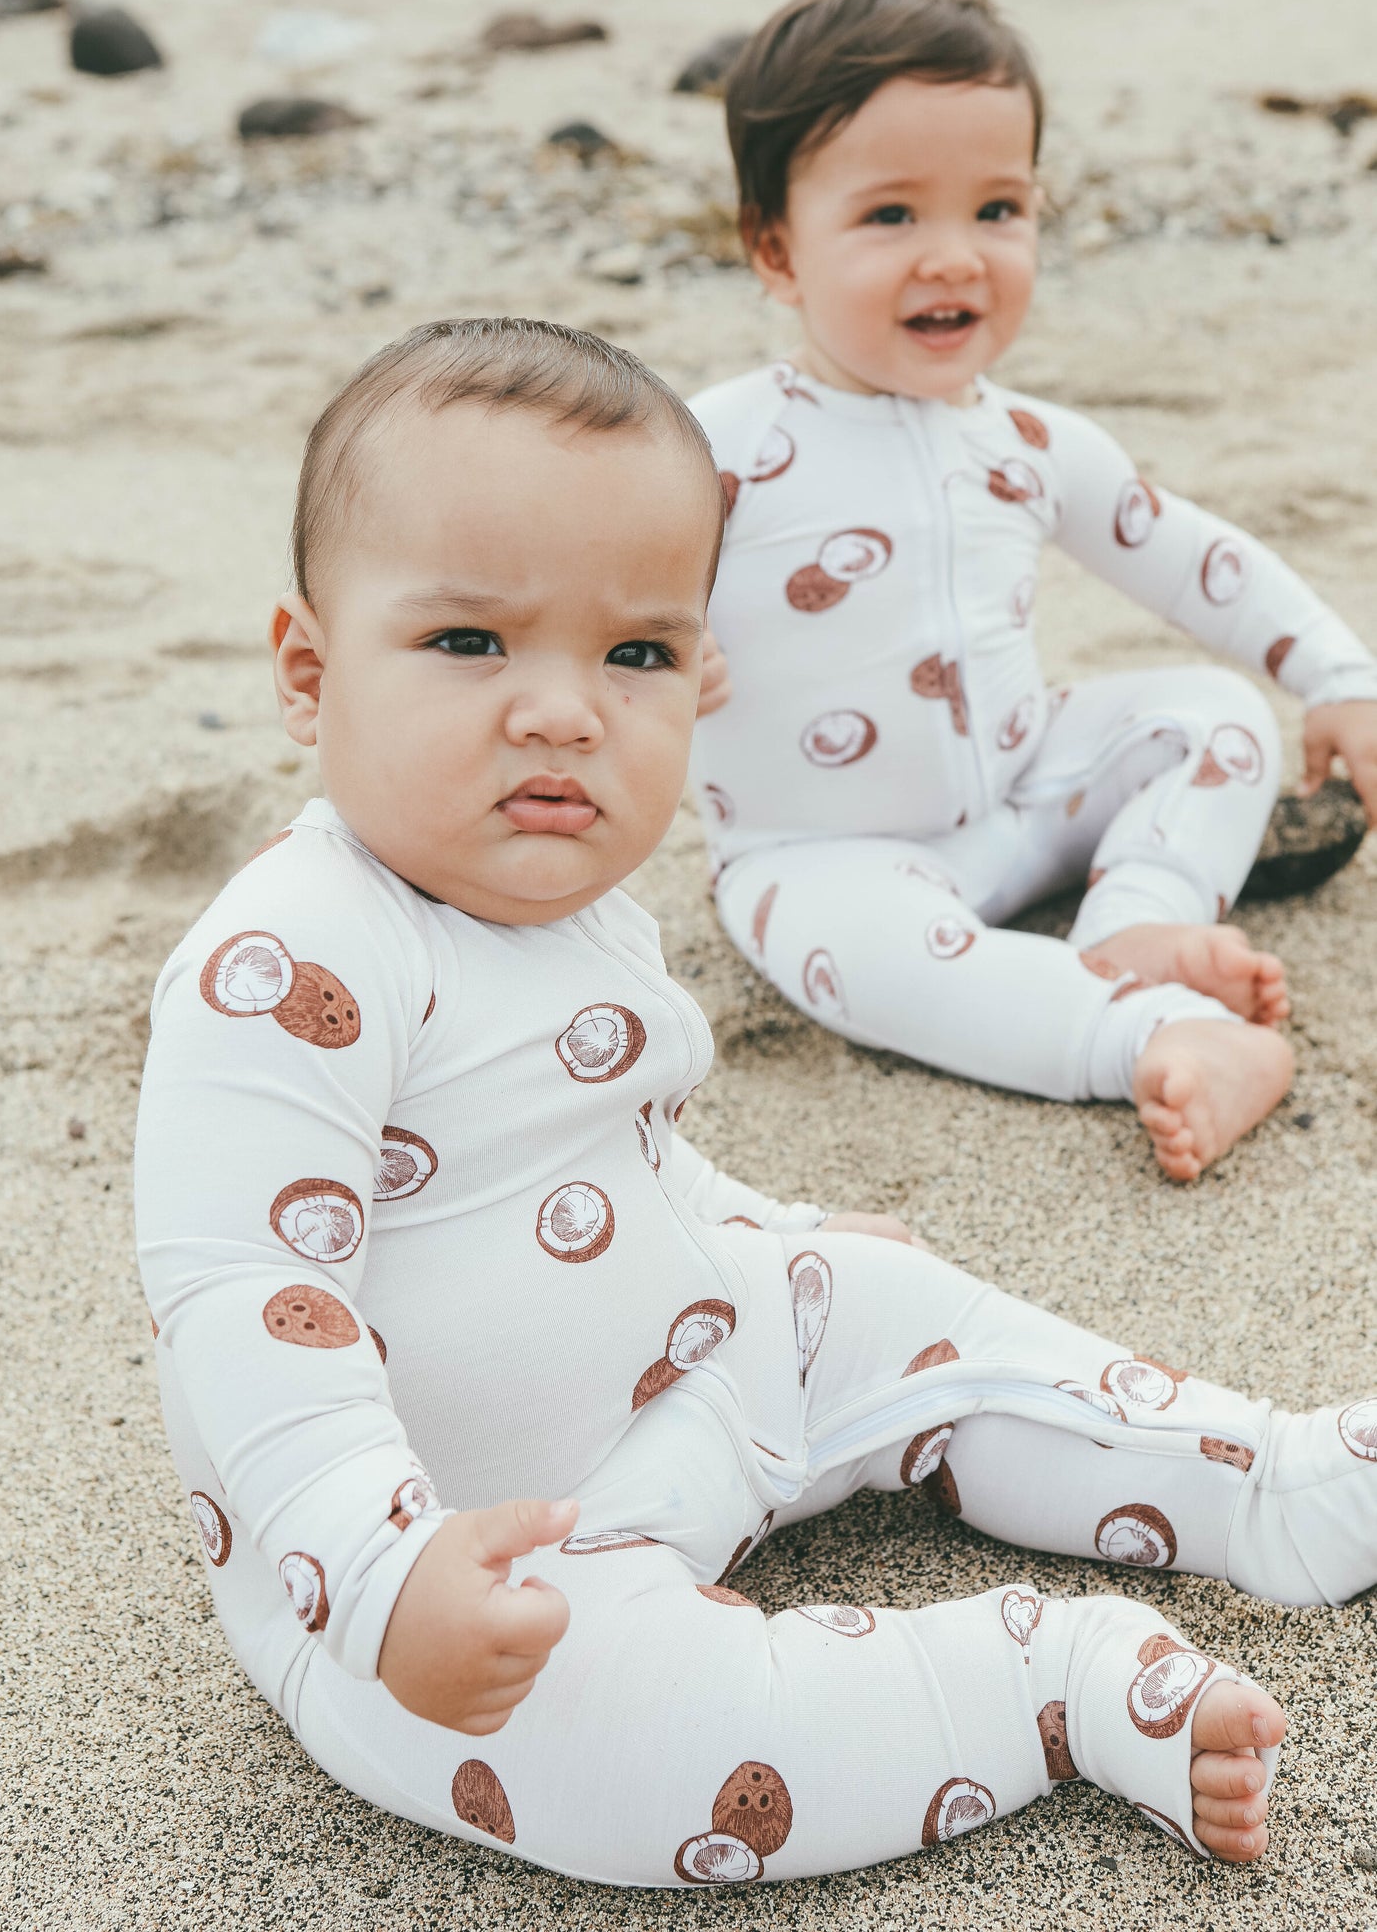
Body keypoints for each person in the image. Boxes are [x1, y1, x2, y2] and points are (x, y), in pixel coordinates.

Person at [137, 315, 1377, 1892]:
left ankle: (1272, 1486)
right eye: (470, 645)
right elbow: (249, 1297)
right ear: (310, 675)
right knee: (643, 1758)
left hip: (696, 1356)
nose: (563, 711)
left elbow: (606, 1156)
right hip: (483, 1565)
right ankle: (1046, 1686)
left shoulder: (575, 904)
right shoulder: (284, 959)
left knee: (903, 1308)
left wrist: (766, 1233)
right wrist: (380, 1575)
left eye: (636, 653)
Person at [689, 0, 1377, 1181]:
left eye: (997, 209)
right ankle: (1151, 1034)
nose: (952, 257)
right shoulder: (709, 453)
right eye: (891, 216)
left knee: (1210, 715)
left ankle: (1133, 924)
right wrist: (645, 652)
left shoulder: (1028, 441)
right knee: (865, 959)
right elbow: (577, 601)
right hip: (824, 851)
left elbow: (1191, 559)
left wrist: (1334, 672)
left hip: (1029, 787)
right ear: (774, 246)